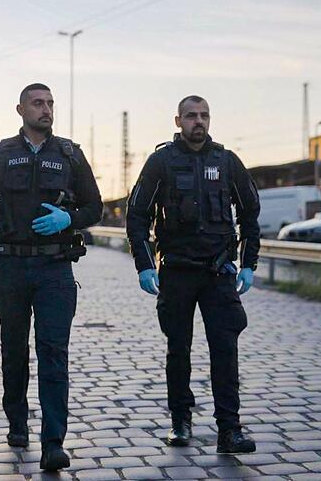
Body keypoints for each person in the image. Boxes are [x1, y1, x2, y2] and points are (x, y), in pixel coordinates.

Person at [0, 83, 102, 471]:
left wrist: (69, 218)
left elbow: (95, 207)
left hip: (55, 269)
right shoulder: (0, 155)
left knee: (54, 353)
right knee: (14, 351)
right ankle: (17, 422)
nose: (46, 109)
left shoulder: (69, 154)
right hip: (11, 269)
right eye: (38, 103)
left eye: (50, 103)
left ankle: (53, 442)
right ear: (20, 109)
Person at [125, 95, 260, 453]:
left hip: (218, 271)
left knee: (225, 349)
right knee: (178, 349)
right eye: (190, 116)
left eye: (203, 115)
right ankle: (180, 421)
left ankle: (229, 430)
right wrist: (144, 265)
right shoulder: (161, 162)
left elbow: (250, 213)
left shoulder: (227, 162)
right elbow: (136, 215)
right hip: (177, 271)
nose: (198, 121)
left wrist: (249, 263)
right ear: (178, 121)